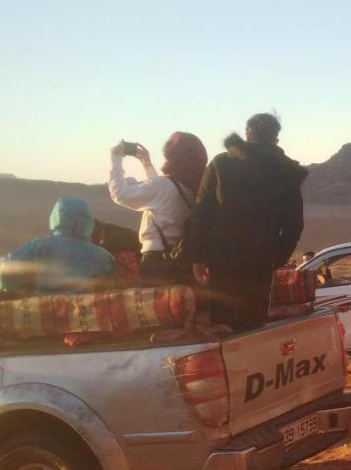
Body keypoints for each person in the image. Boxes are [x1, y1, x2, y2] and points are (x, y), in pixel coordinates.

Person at [185, 112, 306, 330]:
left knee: (222, 325)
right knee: (253, 325)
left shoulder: (221, 163)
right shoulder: (287, 170)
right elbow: (294, 224)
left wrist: (198, 257)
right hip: (260, 261)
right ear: (276, 139)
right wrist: (275, 259)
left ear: (248, 134)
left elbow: (202, 212)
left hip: (222, 259)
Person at [107, 132, 208, 284]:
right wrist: (146, 163)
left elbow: (120, 194)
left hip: (157, 262)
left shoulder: (164, 186)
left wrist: (115, 159)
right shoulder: (197, 188)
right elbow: (160, 197)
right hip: (183, 260)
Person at [0, 197, 116, 296]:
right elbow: (109, 288)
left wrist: (23, 288)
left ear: (56, 216)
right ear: (88, 220)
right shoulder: (104, 256)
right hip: (86, 317)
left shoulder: (37, 246)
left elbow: (6, 279)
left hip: (44, 314)